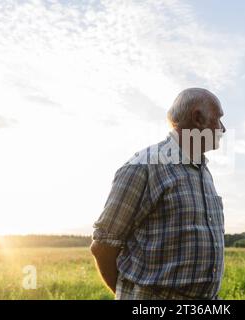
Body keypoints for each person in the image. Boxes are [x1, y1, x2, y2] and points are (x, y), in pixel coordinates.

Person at [90, 88, 226, 300]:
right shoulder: (143, 166)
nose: (223, 129)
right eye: (218, 120)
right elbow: (103, 245)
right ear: (198, 118)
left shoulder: (202, 171)